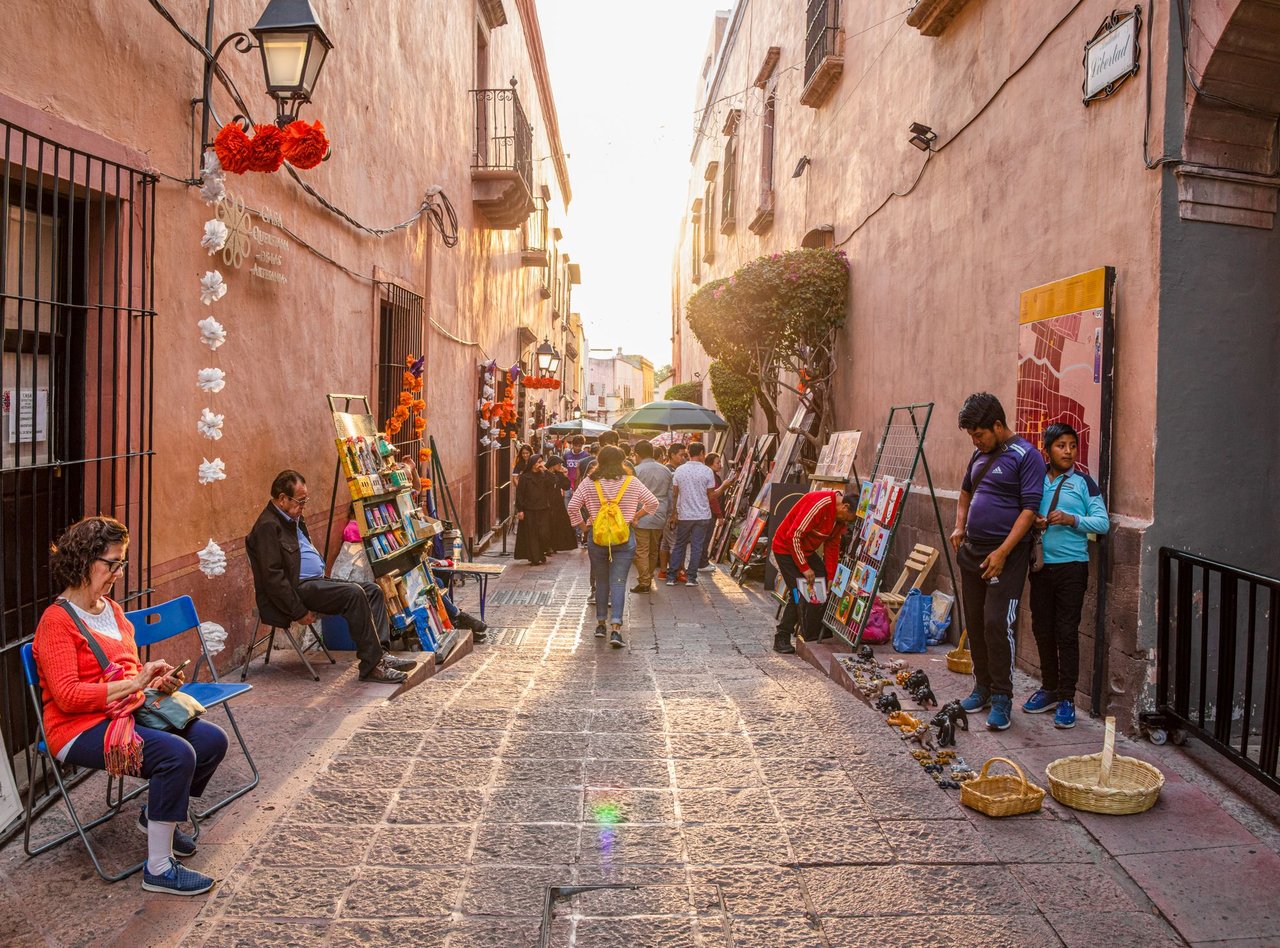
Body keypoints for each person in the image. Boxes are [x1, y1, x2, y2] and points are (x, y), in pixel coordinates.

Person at [33, 517, 228, 895]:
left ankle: (154, 815)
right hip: (77, 729)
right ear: (85, 560)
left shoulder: (112, 610)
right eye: (112, 564)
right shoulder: (56, 622)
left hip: (126, 710)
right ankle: (158, 869)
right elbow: (68, 696)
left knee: (210, 742)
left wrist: (155, 681)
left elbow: (130, 670)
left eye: (121, 564)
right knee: (176, 755)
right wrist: (136, 683)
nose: (118, 573)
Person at [246, 471, 418, 684]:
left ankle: (379, 656)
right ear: (282, 499)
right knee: (354, 594)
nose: (303, 506)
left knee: (373, 590)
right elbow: (273, 579)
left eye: (305, 500)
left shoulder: (292, 518)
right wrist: (298, 611)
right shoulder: (267, 527)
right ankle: (371, 667)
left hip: (315, 582)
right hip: (298, 589)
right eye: (300, 501)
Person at [950, 392, 1047, 731]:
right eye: (972, 437)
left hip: (1006, 555)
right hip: (972, 552)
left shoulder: (1027, 456)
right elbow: (965, 492)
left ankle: (1003, 697)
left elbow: (1029, 509)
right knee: (975, 621)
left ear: (997, 424)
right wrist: (960, 526)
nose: (976, 442)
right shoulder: (979, 455)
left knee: (996, 622)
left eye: (979, 434)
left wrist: (1003, 552)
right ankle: (983, 687)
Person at [1024, 422, 1110, 729]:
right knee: (1042, 628)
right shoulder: (1035, 480)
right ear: (1047, 449)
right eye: (1061, 445)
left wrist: (1073, 519)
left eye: (1073, 446)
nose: (1069, 451)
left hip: (1073, 567)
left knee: (1066, 632)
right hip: (1040, 567)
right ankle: (1048, 689)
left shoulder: (1085, 484)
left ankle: (1067, 698)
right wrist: (1033, 519)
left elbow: (1102, 523)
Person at [568, 446, 658, 647]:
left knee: (601, 581)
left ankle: (600, 624)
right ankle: (616, 628)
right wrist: (635, 516)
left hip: (597, 538)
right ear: (622, 461)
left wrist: (584, 527)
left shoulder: (590, 483)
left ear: (599, 460)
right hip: (624, 538)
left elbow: (573, 507)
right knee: (618, 582)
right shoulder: (631, 482)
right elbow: (652, 503)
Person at [770, 490, 858, 653]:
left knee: (822, 581)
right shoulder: (821, 504)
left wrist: (831, 575)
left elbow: (832, 546)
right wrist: (804, 567)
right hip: (785, 550)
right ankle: (782, 635)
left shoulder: (839, 520)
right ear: (845, 507)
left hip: (807, 552)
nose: (847, 523)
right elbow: (793, 536)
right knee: (798, 592)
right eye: (849, 519)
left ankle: (810, 628)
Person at [668, 442, 718, 586]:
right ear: (702, 453)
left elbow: (675, 493)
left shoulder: (680, 470)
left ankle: (671, 576)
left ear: (689, 453)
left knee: (679, 545)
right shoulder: (707, 471)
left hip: (684, 514)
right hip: (702, 515)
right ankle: (691, 578)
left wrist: (674, 513)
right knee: (697, 546)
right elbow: (710, 495)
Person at [630, 440, 672, 593]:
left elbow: (632, 496)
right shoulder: (665, 470)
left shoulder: (637, 471)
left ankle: (644, 581)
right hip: (660, 513)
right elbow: (670, 495)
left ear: (637, 454)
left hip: (641, 514)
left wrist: (632, 516)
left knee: (641, 550)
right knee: (654, 549)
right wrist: (669, 513)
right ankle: (648, 578)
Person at [698, 452, 735, 572]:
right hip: (709, 512)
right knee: (705, 538)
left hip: (708, 512)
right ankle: (702, 563)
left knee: (705, 538)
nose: (721, 465)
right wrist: (719, 515)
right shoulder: (711, 476)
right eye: (718, 463)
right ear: (710, 464)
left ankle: (702, 561)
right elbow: (712, 498)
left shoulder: (713, 475)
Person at [514, 455, 555, 565]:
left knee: (543, 533)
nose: (539, 464)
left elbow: (554, 481)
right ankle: (535, 558)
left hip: (543, 509)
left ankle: (541, 553)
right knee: (532, 534)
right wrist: (520, 510)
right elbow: (519, 494)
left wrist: (546, 470)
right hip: (529, 510)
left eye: (541, 462)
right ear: (532, 464)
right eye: (537, 462)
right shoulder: (524, 477)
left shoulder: (544, 475)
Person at [657, 443, 688, 581]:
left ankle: (664, 570)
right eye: (681, 455)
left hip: (667, 511)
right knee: (676, 543)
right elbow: (672, 495)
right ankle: (678, 571)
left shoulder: (672, 469)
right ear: (672, 455)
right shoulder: (670, 471)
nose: (683, 458)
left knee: (665, 542)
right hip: (671, 512)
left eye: (685, 455)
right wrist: (673, 513)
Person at [542, 455, 581, 553]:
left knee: (558, 523)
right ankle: (547, 546)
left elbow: (566, 486)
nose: (560, 466)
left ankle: (556, 545)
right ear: (553, 464)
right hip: (546, 501)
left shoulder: (559, 474)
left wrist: (565, 475)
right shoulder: (544, 474)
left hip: (557, 501)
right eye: (558, 464)